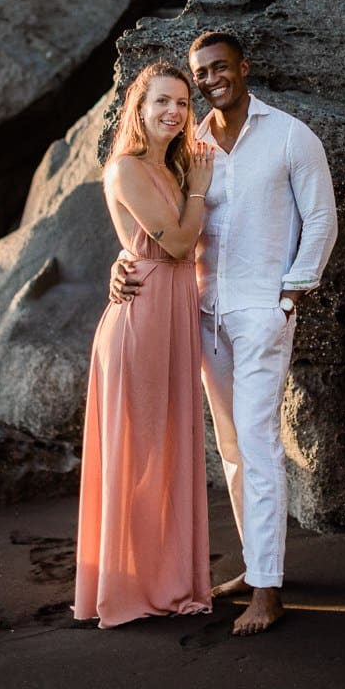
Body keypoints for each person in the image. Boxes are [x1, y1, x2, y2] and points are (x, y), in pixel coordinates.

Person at [111, 30, 338, 636]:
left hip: (262, 312)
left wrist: (290, 296)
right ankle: (255, 567)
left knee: (260, 444)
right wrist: (122, 262)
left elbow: (321, 220)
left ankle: (268, 590)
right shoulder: (193, 143)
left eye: (219, 68)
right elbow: (157, 219)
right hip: (203, 314)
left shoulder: (292, 135)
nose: (210, 80)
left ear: (243, 67)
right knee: (232, 450)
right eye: (199, 75)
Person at [74, 61, 215, 627]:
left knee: (169, 449)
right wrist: (200, 193)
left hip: (174, 312)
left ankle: (169, 577)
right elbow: (179, 244)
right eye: (161, 101)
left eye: (182, 103)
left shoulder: (179, 167)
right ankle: (129, 587)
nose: (173, 112)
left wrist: (193, 185)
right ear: (139, 106)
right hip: (143, 318)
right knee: (139, 453)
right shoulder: (128, 169)